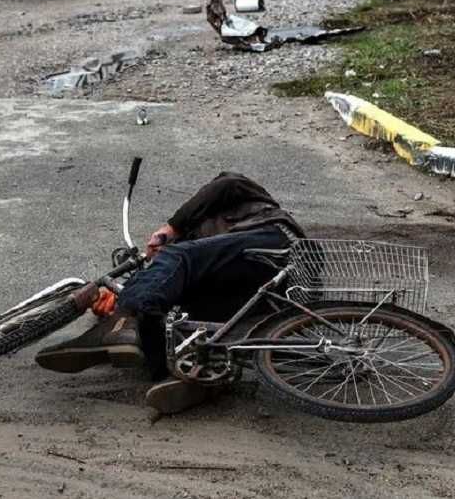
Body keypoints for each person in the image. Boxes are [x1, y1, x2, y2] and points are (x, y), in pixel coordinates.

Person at [35, 172, 304, 414]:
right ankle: (190, 372)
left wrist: (171, 227)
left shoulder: (237, 196)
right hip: (251, 288)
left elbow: (227, 183)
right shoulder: (201, 249)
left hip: (271, 245)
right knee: (178, 319)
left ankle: (123, 322)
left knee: (178, 258)